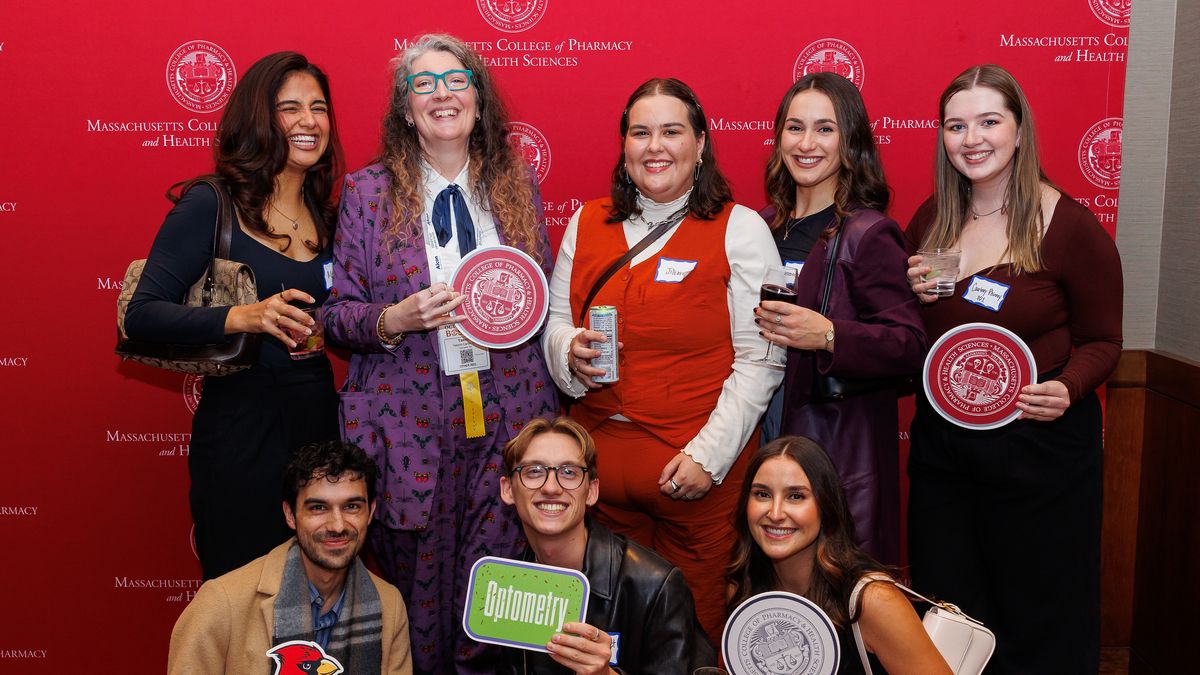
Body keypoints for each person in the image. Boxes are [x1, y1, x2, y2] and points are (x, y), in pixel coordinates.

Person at [321, 33, 557, 674]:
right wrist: (393, 318)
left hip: (508, 418)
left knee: (497, 590)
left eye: (456, 81)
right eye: (423, 84)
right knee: (419, 603)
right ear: (404, 109)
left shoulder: (515, 183)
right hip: (406, 427)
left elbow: (539, 299)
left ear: (479, 101)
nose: (442, 94)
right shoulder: (370, 193)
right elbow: (336, 314)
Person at [542, 77, 782, 643]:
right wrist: (566, 353)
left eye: (672, 131)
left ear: (700, 144)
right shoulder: (586, 221)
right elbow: (554, 326)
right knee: (601, 632)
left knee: (692, 631)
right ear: (623, 146)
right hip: (597, 476)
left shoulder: (740, 228)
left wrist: (709, 457)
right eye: (640, 132)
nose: (656, 146)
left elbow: (762, 360)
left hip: (693, 478)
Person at [904, 64, 1122, 674]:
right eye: (955, 125)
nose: (972, 138)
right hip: (947, 459)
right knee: (951, 614)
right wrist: (910, 296)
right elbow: (909, 336)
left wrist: (1069, 387)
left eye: (989, 121)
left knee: (1040, 617)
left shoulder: (1070, 228)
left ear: (1020, 131)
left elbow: (1105, 341)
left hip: (1041, 457)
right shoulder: (931, 220)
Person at [125, 52, 343, 580]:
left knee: (320, 600)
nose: (309, 121)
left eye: (318, 107)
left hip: (318, 425)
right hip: (242, 430)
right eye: (290, 108)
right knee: (243, 598)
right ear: (258, 119)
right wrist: (243, 316)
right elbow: (141, 315)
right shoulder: (212, 203)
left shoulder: (329, 211)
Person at [755, 72, 926, 566]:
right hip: (758, 424)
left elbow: (910, 344)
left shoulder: (868, 233)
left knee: (834, 585)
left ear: (850, 140)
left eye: (825, 129)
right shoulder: (759, 226)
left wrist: (828, 335)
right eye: (794, 127)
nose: (806, 144)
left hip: (830, 441)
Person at [168, 441, 413, 674]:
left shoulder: (389, 604)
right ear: (290, 514)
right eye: (318, 507)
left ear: (370, 512)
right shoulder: (221, 603)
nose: (338, 525)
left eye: (352, 507)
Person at [497, 417, 716, 674]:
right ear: (508, 490)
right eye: (533, 471)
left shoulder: (655, 586)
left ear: (591, 491)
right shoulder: (507, 583)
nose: (551, 487)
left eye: (569, 472)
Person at [727, 437, 951, 675]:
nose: (775, 513)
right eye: (762, 494)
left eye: (796, 496)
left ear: (825, 506)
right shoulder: (744, 587)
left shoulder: (872, 601)